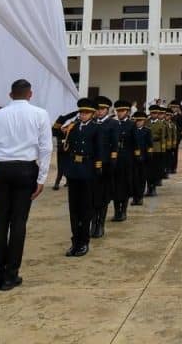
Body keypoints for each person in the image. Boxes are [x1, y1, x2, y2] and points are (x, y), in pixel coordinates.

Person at [0, 79, 53, 291]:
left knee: (0, 222)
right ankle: (11, 275)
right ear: (30, 94)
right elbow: (46, 148)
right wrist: (41, 178)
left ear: (10, 95)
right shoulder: (40, 114)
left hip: (2, 169)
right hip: (26, 169)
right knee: (18, 222)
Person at [64, 97, 102, 257]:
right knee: (74, 208)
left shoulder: (96, 129)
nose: (83, 115)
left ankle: (84, 241)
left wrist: (97, 169)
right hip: (74, 170)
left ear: (92, 114)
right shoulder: (73, 127)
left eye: (86, 113)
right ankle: (75, 241)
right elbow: (56, 129)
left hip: (88, 170)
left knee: (85, 208)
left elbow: (99, 150)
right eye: (81, 112)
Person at [91, 96, 118, 238]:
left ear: (107, 110)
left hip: (106, 164)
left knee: (103, 195)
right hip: (91, 164)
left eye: (102, 109)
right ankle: (93, 222)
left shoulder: (112, 123)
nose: (100, 112)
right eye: (98, 109)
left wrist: (113, 159)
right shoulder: (92, 122)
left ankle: (100, 224)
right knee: (92, 195)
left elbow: (115, 144)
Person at [111, 99, 135, 222]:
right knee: (114, 186)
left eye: (122, 111)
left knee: (125, 185)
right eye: (118, 111)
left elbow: (135, 144)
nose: (120, 113)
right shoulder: (113, 124)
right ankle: (116, 211)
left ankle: (124, 210)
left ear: (127, 112)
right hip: (114, 160)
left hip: (126, 160)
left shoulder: (132, 125)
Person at [131, 110, 151, 206]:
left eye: (140, 120)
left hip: (144, 158)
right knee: (134, 178)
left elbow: (150, 145)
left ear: (144, 121)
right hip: (133, 158)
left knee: (142, 178)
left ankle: (140, 197)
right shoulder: (132, 131)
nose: (138, 122)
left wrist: (148, 156)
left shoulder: (147, 131)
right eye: (137, 120)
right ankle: (135, 197)